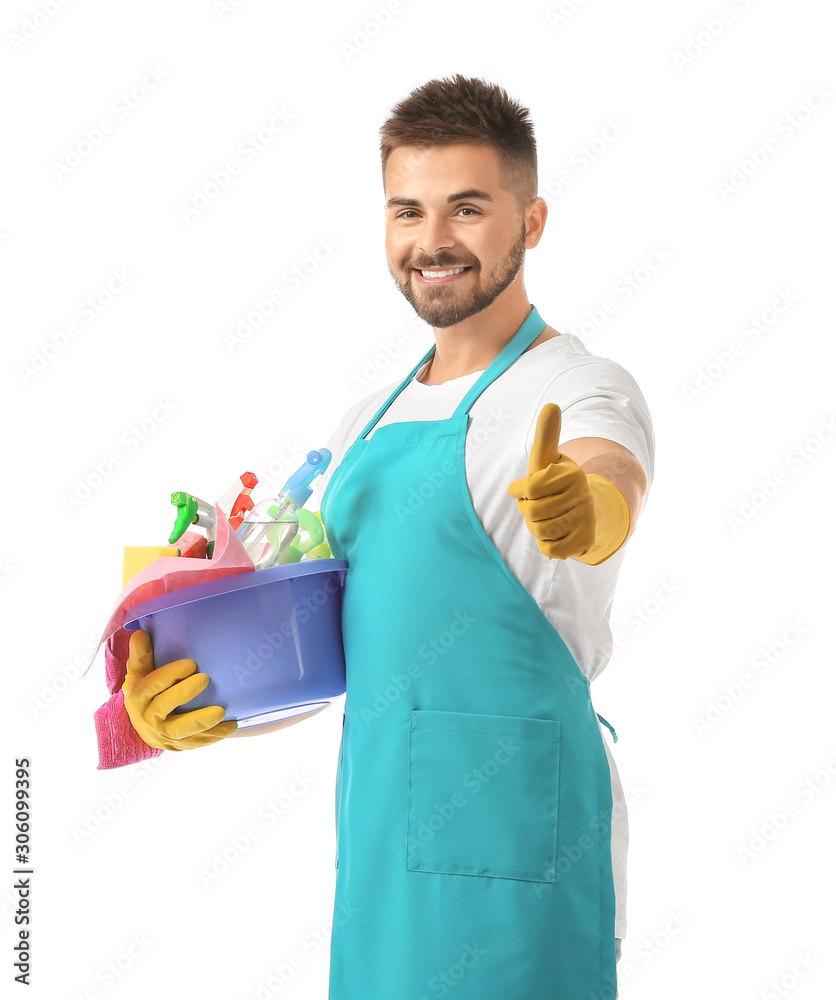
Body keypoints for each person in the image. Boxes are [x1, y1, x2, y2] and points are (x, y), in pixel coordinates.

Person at [123, 74, 653, 999]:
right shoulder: (363, 423)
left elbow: (613, 470)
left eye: (468, 209)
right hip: (380, 852)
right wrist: (199, 704)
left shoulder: (576, 385)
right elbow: (321, 646)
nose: (432, 241)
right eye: (407, 210)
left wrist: (591, 510)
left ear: (531, 223)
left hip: (526, 843)